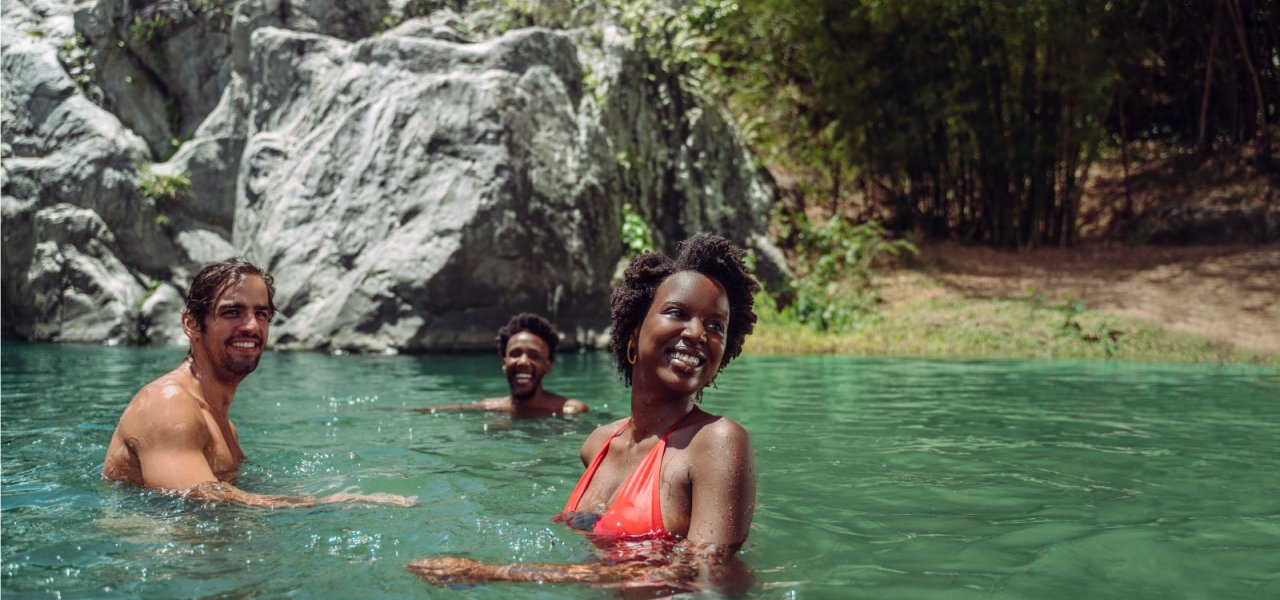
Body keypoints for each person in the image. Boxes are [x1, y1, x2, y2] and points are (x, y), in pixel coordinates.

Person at [407, 233, 758, 592]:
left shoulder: (717, 441)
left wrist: (496, 573)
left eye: (716, 325)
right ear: (633, 335)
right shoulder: (598, 443)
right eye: (677, 313)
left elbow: (701, 572)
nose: (698, 332)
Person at [102, 258, 414, 508]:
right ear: (191, 324)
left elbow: (234, 492)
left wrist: (358, 483)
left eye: (261, 314)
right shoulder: (167, 405)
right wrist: (335, 503)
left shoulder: (222, 423)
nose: (251, 326)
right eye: (232, 312)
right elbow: (192, 499)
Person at [416, 313, 587, 416]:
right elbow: (440, 410)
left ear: (548, 365)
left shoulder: (570, 410)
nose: (522, 361)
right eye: (515, 354)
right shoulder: (489, 407)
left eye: (534, 355)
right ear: (503, 362)